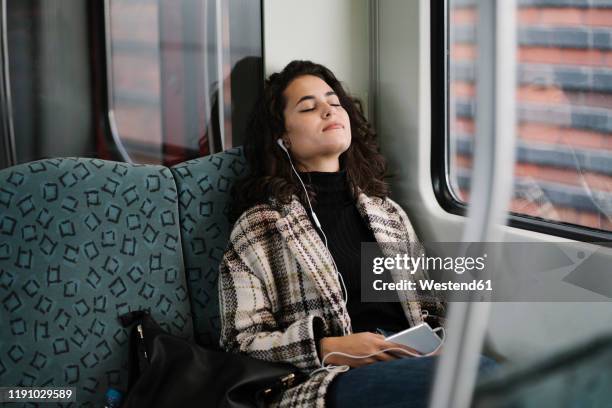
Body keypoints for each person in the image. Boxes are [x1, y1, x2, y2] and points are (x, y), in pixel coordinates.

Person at [218, 60, 491, 408]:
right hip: (326, 379)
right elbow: (239, 341)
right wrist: (330, 348)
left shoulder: (387, 214)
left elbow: (429, 307)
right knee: (479, 380)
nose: (328, 110)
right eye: (308, 106)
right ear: (282, 136)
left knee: (490, 373)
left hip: (411, 357)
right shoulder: (261, 226)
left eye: (334, 101)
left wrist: (442, 344)